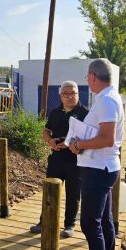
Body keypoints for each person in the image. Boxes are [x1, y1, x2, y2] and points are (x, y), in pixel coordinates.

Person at [69, 58, 124, 250]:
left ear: (92, 76)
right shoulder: (110, 97)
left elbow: (107, 139)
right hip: (103, 167)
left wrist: (79, 143)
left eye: (86, 78)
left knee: (90, 224)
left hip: (98, 169)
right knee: (104, 221)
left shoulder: (106, 101)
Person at [30, 81, 88, 238]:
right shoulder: (55, 112)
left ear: (78, 94)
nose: (70, 96)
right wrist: (50, 141)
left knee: (73, 194)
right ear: (60, 95)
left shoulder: (85, 113)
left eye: (73, 93)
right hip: (56, 158)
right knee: (50, 192)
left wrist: (70, 144)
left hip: (76, 160)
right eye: (66, 94)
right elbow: (46, 131)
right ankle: (44, 222)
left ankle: (69, 225)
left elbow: (89, 137)